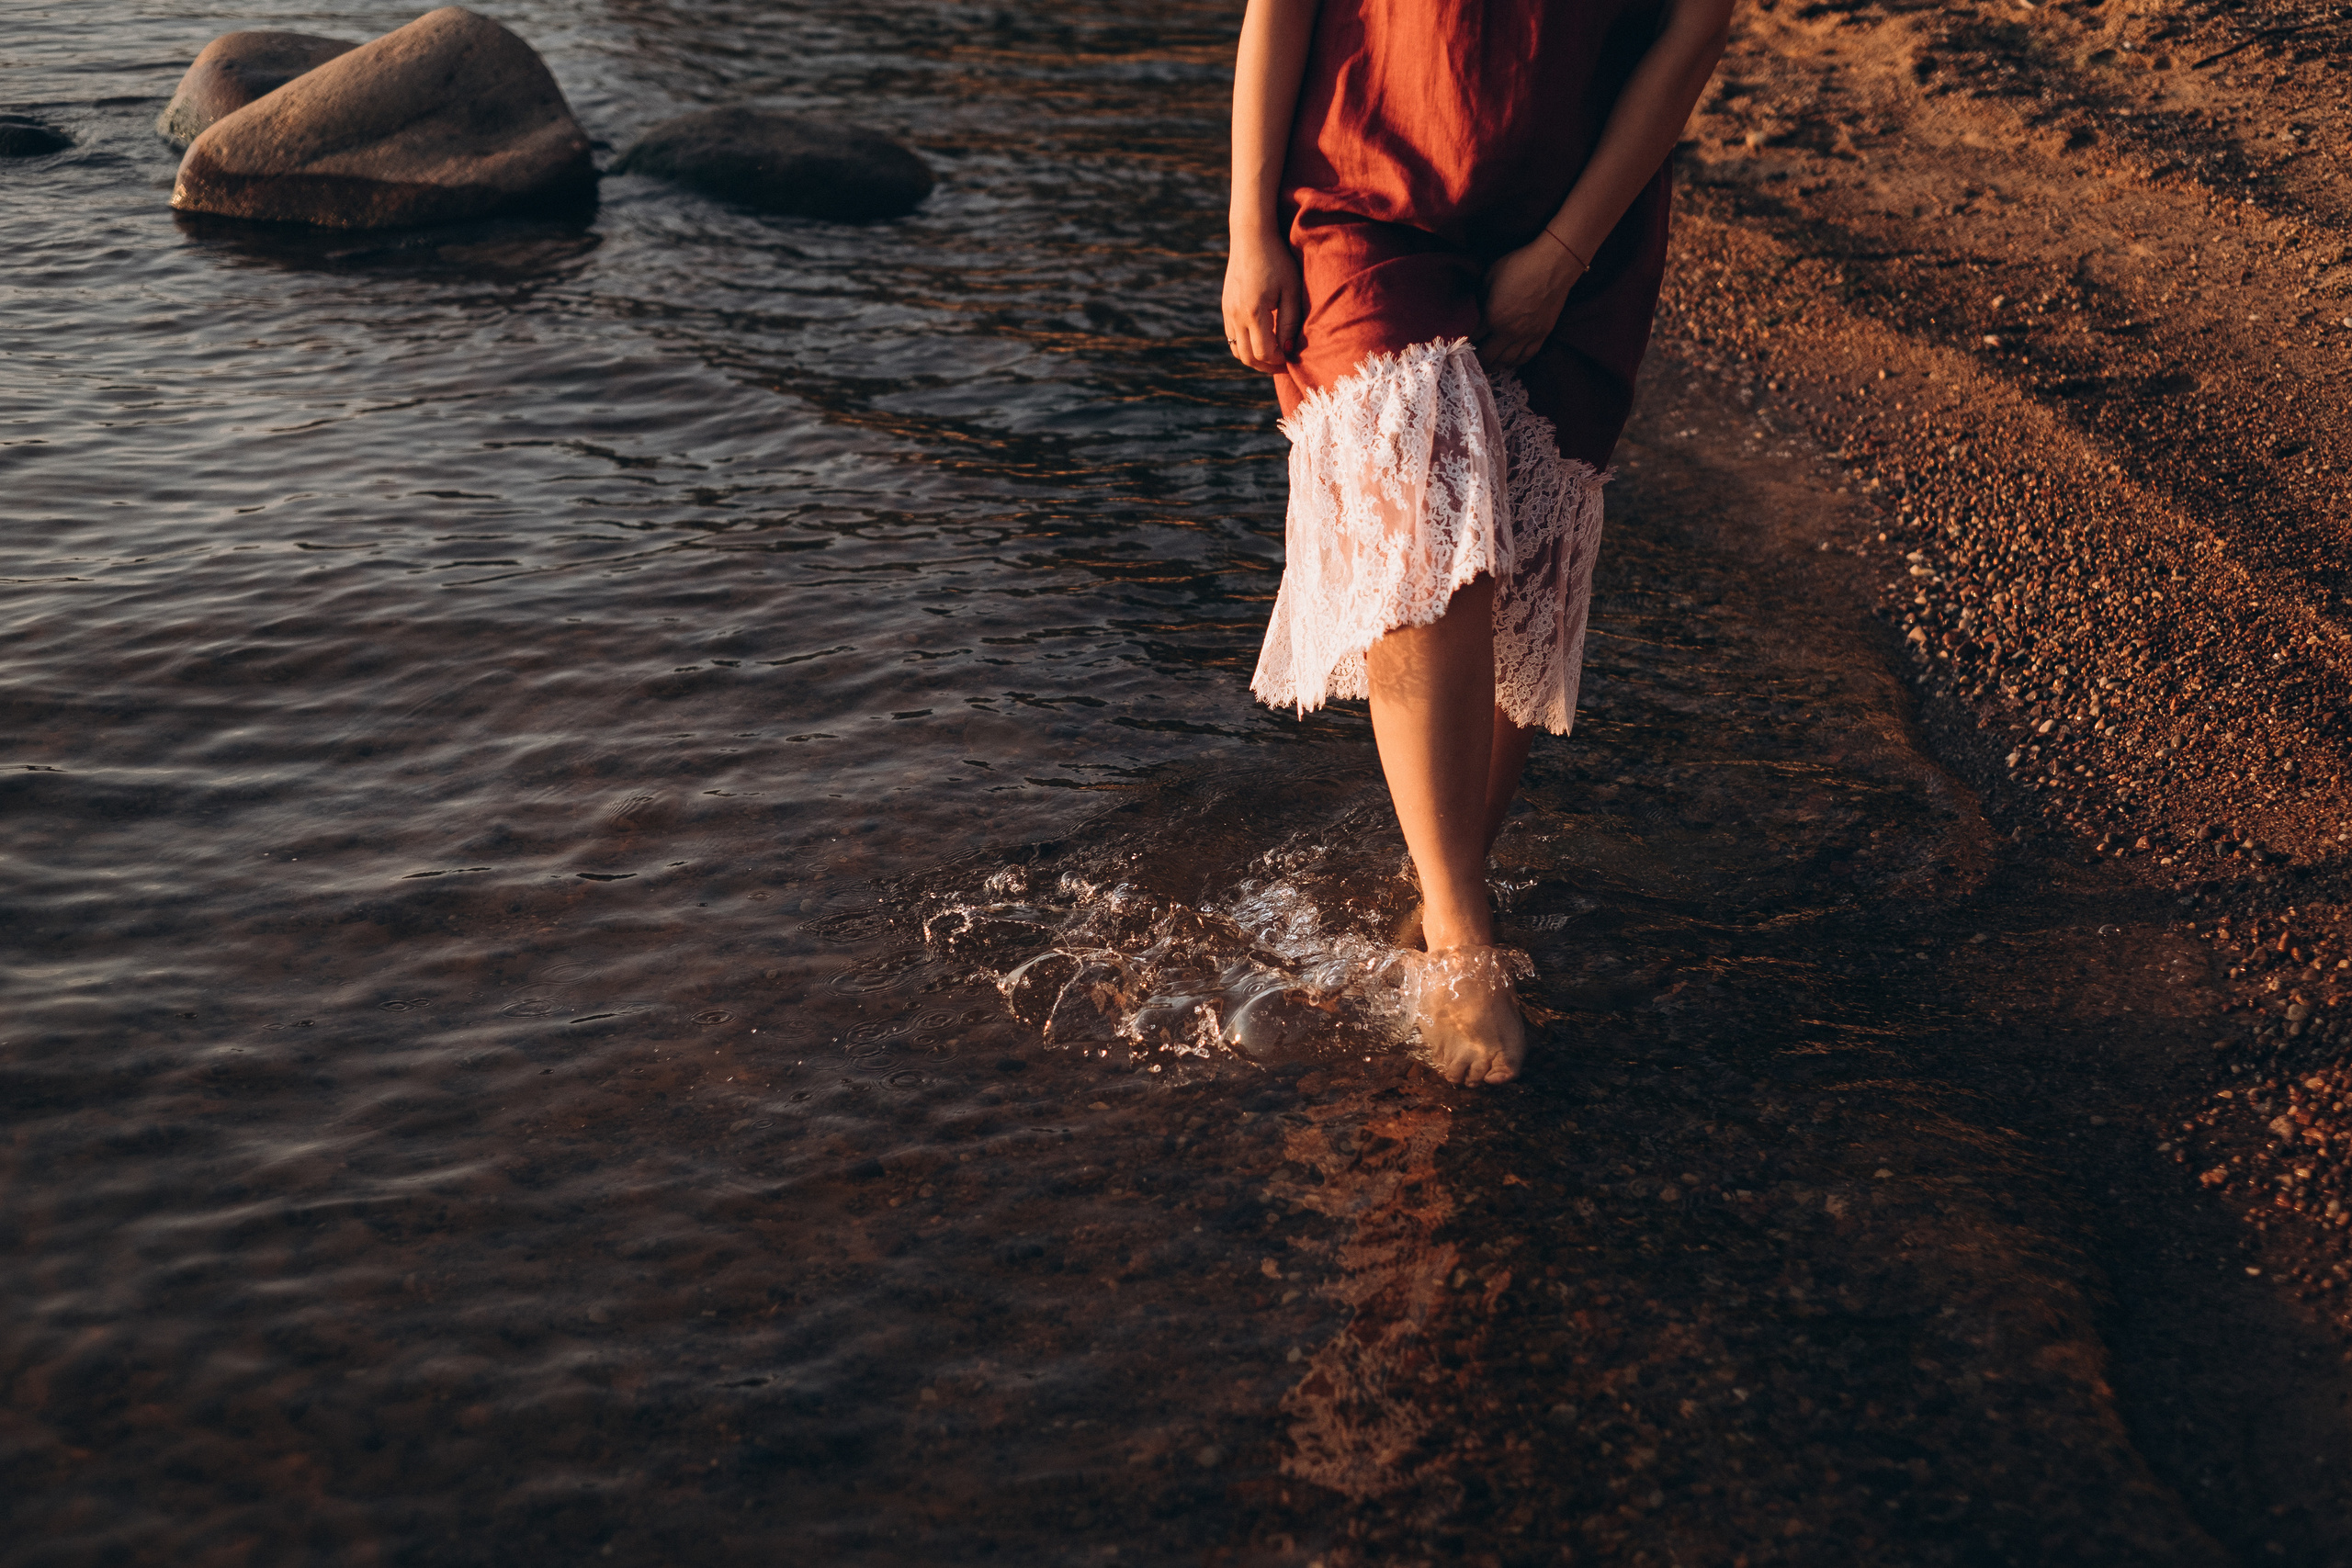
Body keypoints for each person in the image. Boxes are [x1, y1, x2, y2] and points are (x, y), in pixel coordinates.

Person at [1223, 0, 1732, 1085]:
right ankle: (1460, 940)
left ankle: (1452, 882)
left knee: (1518, 560)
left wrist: (1561, 253)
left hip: (1583, 198)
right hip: (1360, 179)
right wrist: (1249, 231)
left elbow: (1697, 23)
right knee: (1424, 517)